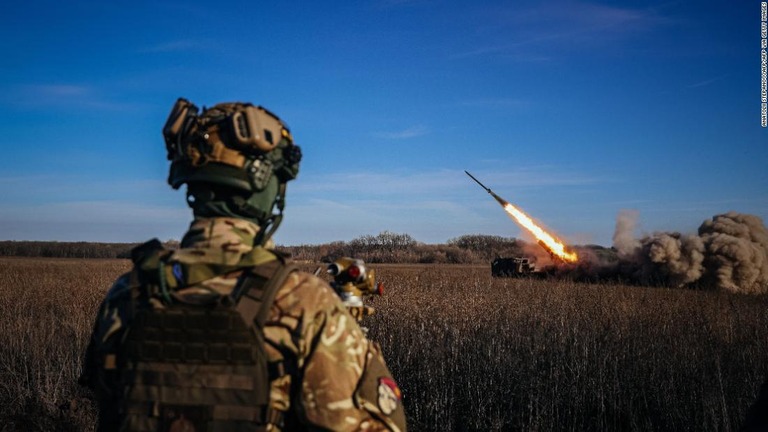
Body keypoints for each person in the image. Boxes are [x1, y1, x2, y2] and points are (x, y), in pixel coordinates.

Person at [80, 98, 407, 432]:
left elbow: (106, 400)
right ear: (269, 188)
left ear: (192, 180)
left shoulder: (128, 293)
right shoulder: (305, 303)